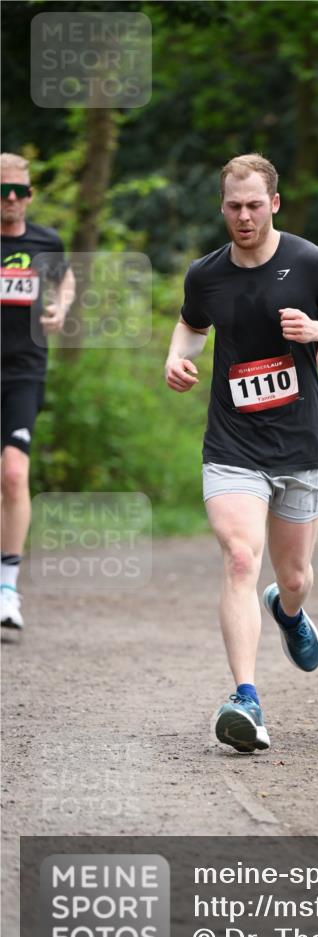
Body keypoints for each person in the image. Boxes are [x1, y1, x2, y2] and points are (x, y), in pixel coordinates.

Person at [164, 154, 318, 753]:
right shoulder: (205, 274)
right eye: (234, 206)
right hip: (232, 444)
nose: (245, 216)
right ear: (223, 207)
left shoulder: (310, 263)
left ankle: (288, 612)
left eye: (255, 204)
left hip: (300, 443)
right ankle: (246, 699)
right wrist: (179, 358)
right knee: (237, 557)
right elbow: (191, 325)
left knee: (296, 577)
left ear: (274, 203)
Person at [1, 152, 75, 630]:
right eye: (2, 191)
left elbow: (64, 279)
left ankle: (7, 587)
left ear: (30, 195)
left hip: (24, 369)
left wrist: (60, 308)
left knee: (12, 472)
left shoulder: (45, 241)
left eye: (19, 191)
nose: (10, 199)